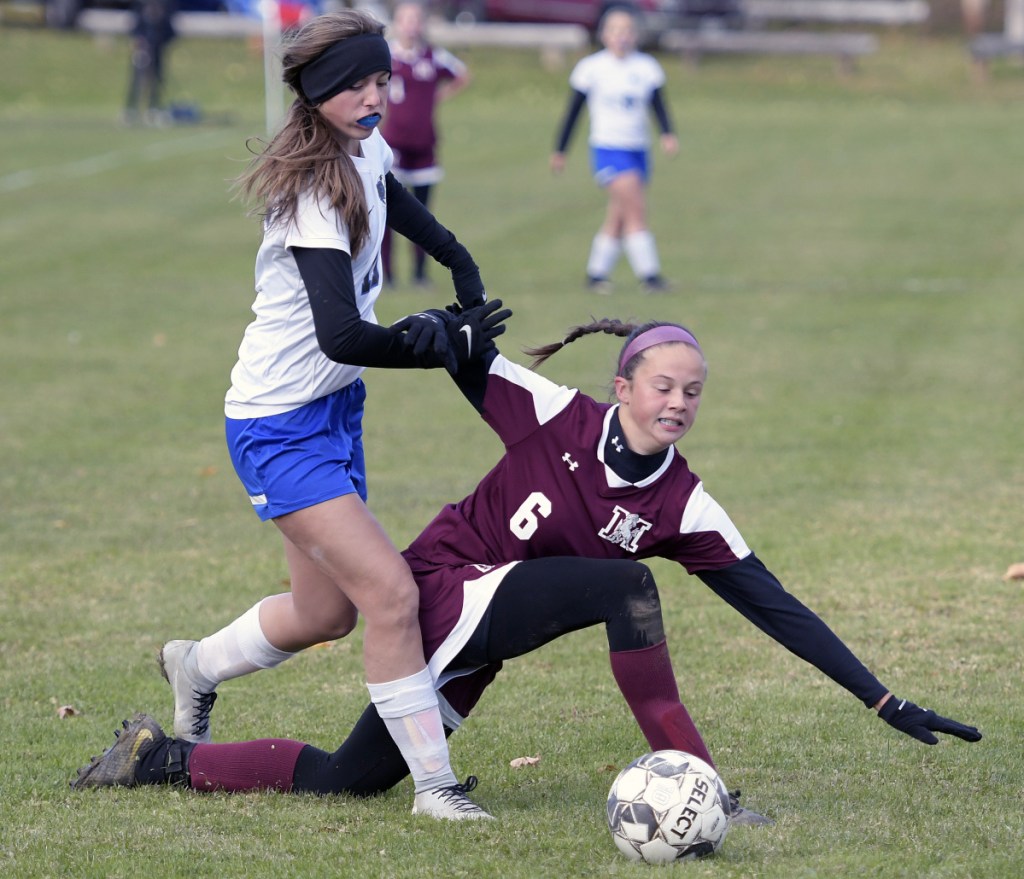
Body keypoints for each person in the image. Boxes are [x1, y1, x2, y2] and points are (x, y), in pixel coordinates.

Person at [73, 318, 981, 823]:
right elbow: (461, 354)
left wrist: (883, 698)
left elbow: (778, 607)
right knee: (624, 584)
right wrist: (450, 310)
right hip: (440, 580)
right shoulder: (557, 414)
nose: (677, 401)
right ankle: (705, 787)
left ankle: (159, 760)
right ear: (622, 387)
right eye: (662, 384)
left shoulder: (687, 507)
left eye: (693, 391)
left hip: (484, 629)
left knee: (347, 779)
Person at [150, 9, 512, 822]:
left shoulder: (363, 144)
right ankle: (434, 789)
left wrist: (455, 258)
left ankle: (194, 665)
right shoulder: (313, 190)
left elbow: (392, 193)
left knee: (325, 613)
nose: (376, 95)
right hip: (276, 425)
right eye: (357, 85)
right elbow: (341, 331)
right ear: (318, 94)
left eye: (381, 79)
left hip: (331, 410)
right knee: (389, 594)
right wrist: (435, 341)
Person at [550, 5, 678, 294]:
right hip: (608, 149)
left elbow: (659, 105)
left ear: (635, 35)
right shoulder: (591, 68)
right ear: (604, 34)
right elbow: (573, 112)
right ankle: (650, 275)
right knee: (636, 209)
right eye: (615, 30)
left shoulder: (646, 67)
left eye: (627, 30)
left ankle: (596, 275)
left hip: (638, 150)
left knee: (619, 215)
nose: (622, 36)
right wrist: (560, 150)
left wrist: (668, 134)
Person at [380, 1, 471, 288]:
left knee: (422, 214)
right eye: (405, 19)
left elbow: (462, 74)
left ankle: (420, 274)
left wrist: (438, 96)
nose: (411, 25)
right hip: (392, 144)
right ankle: (387, 274)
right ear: (397, 23)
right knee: (386, 213)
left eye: (416, 19)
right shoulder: (386, 55)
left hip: (424, 144)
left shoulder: (433, 56)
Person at [123, 0, 177, 126]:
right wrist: (139, 41)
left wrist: (160, 41)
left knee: (157, 78)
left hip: (157, 46)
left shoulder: (165, 9)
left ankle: (154, 107)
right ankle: (131, 109)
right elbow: (136, 26)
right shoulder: (141, 9)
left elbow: (169, 29)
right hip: (143, 46)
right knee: (137, 78)